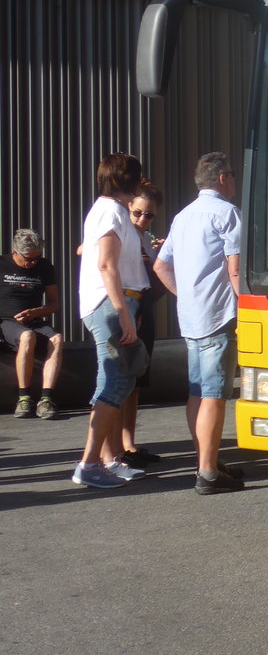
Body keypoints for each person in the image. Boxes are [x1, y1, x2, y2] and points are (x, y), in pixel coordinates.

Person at [154, 152, 245, 495]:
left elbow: (161, 266)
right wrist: (250, 307)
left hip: (191, 317)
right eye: (232, 174)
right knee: (214, 395)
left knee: (197, 392)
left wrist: (186, 295)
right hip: (218, 316)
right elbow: (235, 270)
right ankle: (208, 472)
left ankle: (205, 461)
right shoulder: (227, 213)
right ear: (222, 178)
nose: (234, 180)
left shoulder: (183, 216)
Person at [72, 152, 151, 489]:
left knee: (118, 381)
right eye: (137, 176)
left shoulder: (110, 210)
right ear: (127, 179)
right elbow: (106, 265)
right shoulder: (110, 211)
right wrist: (123, 312)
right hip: (110, 305)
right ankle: (89, 464)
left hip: (115, 304)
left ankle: (105, 461)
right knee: (114, 382)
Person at [118, 181, 167, 469]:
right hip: (126, 312)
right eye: (137, 213)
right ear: (128, 209)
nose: (142, 219)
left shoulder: (145, 238)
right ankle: (113, 450)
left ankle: (128, 445)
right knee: (120, 382)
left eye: (149, 215)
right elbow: (85, 250)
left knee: (135, 383)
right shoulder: (120, 233)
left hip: (144, 311)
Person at [2, 229, 63, 419]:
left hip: (34, 320)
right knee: (27, 337)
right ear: (15, 252)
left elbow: (54, 304)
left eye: (37, 258)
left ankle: (46, 398)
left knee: (57, 339)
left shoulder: (44, 266)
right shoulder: (2, 264)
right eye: (28, 259)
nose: (33, 263)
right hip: (7, 322)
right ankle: (24, 397)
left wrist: (35, 312)